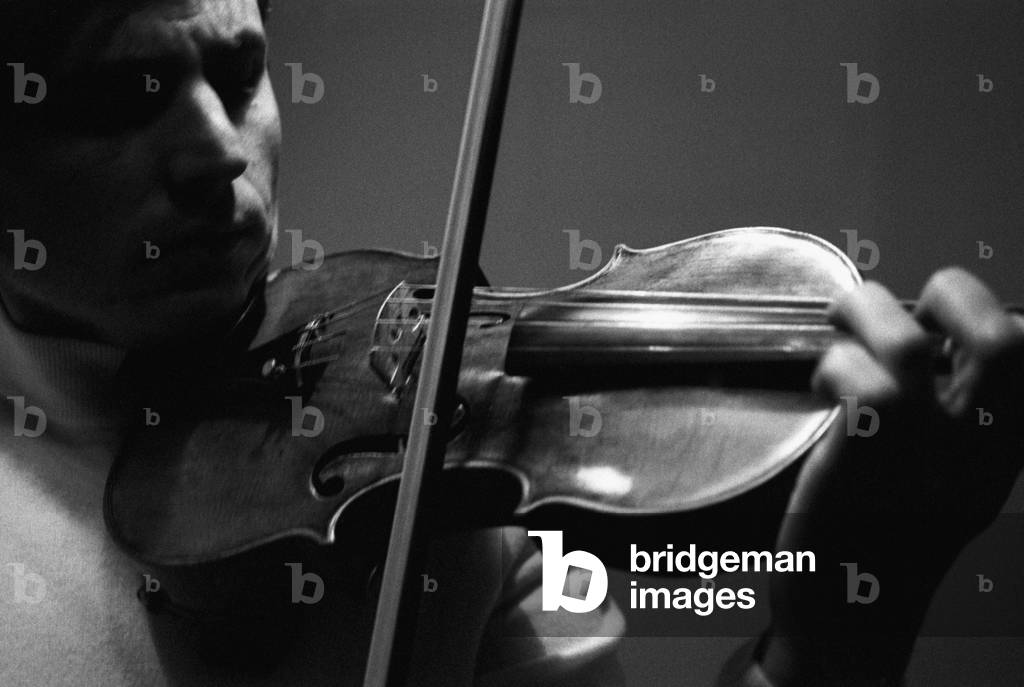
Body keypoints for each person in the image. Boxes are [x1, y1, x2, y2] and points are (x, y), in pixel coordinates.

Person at [0, 1, 1021, 686]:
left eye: (240, 72)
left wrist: (840, 626)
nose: (220, 151)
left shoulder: (440, 497)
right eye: (119, 99)